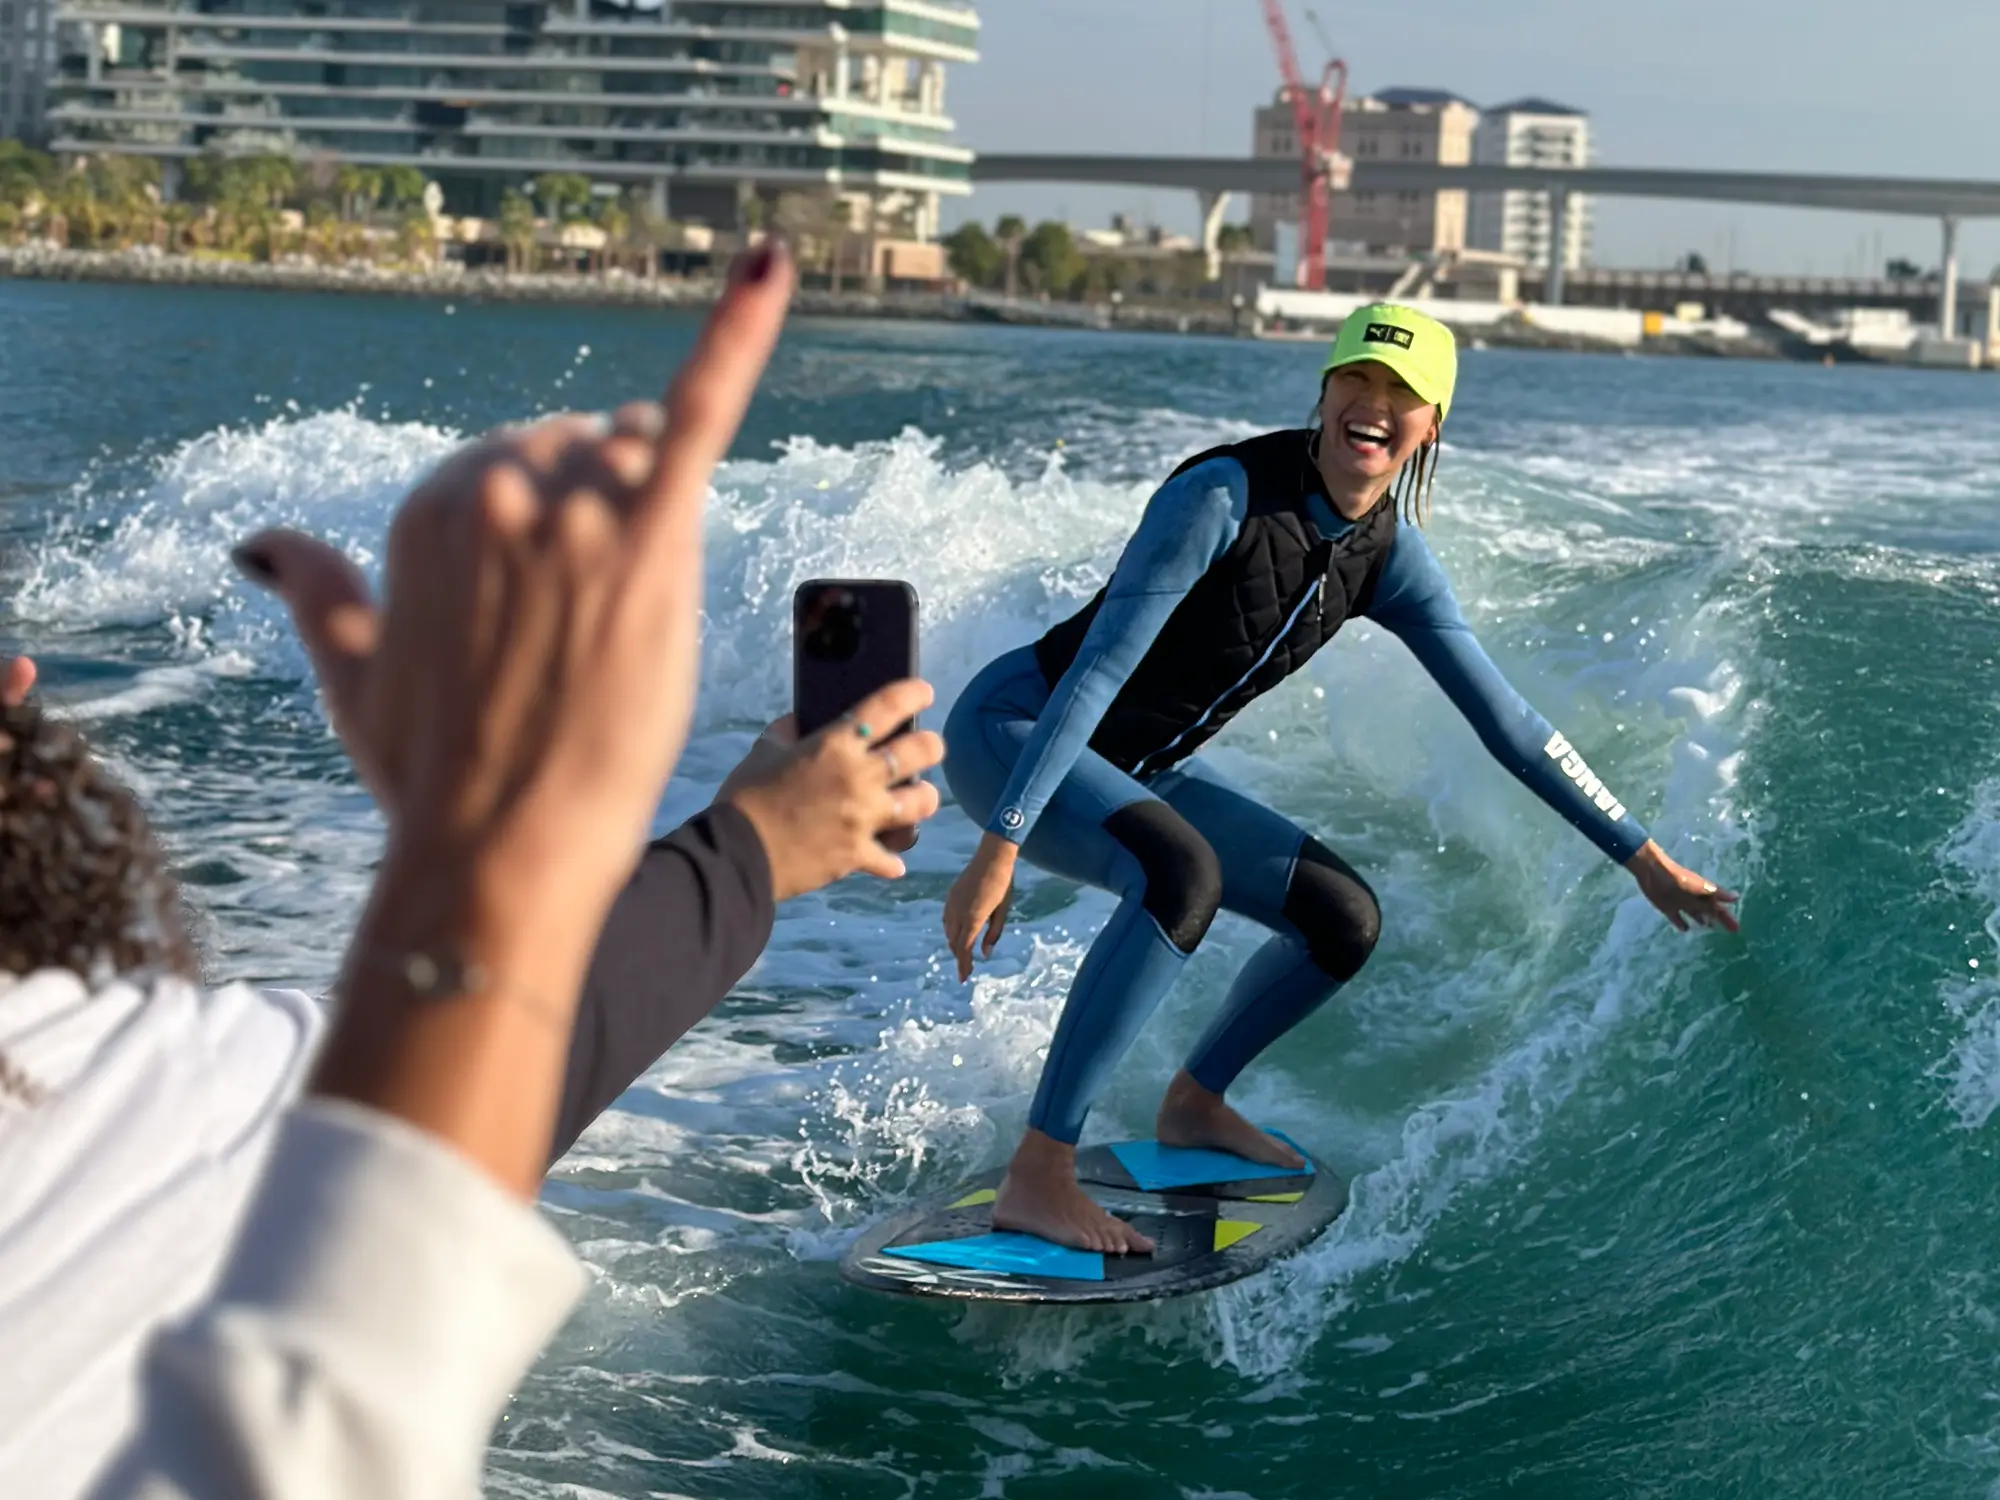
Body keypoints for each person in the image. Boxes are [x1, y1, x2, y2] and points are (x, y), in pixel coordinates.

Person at [5, 245, 943, 1500]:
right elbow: (443, 1134)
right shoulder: (110, 1108)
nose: (22, 686)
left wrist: (731, 850)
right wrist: (530, 844)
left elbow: (430, 1131)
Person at [940, 303, 1741, 1255]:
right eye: (1355, 381)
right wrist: (1003, 846)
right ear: (1322, 393)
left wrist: (1642, 857)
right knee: (1178, 875)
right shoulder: (1222, 496)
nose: (1373, 405)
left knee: (1339, 918)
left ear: (1431, 424)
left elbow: (1511, 725)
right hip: (1018, 733)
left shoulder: (1388, 558)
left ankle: (1195, 1104)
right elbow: (1099, 670)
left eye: (1402, 394)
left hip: (1139, 766)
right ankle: (1040, 1174)